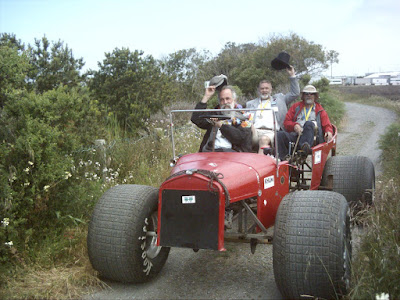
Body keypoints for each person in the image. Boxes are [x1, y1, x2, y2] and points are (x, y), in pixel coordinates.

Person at [246, 66, 299, 154]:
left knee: (263, 139)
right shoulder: (250, 104)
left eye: (266, 88)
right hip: (254, 131)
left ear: (271, 90)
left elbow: (295, 93)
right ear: (259, 90)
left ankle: (260, 166)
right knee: (241, 135)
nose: (264, 90)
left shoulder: (279, 99)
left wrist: (292, 75)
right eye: (262, 88)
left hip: (271, 132)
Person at [191, 82, 252, 153]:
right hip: (210, 153)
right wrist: (206, 96)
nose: (225, 102)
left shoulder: (243, 116)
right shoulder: (215, 113)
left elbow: (240, 139)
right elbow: (196, 119)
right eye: (222, 100)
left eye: (227, 98)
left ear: (234, 100)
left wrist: (221, 125)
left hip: (233, 155)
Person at [277, 85, 333, 160]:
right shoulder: (296, 107)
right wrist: (294, 126)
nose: (309, 95)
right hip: (296, 135)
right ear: (303, 96)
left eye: (311, 94)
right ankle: (283, 160)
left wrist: (328, 132)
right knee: (279, 134)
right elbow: (286, 122)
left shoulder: (320, 110)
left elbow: (327, 125)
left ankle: (303, 150)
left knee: (309, 124)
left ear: (315, 96)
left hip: (312, 139)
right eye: (306, 94)